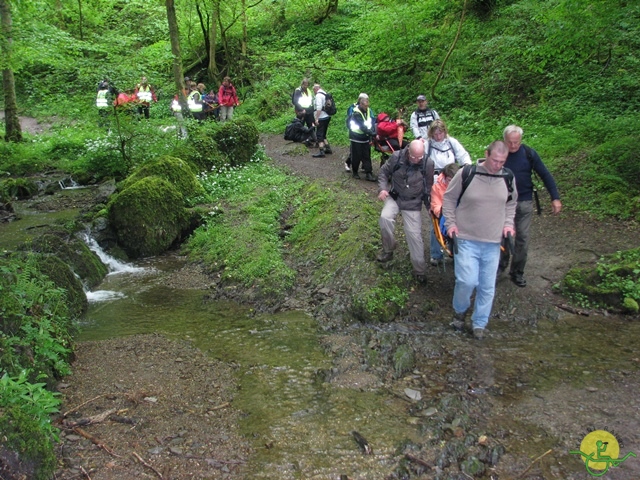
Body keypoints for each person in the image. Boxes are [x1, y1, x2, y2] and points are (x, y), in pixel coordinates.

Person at [442, 141, 517, 340]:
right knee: (467, 281)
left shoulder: (508, 177)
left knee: (487, 286)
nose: (497, 165)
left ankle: (479, 324)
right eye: (495, 160)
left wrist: (508, 224)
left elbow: (511, 203)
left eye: (502, 161)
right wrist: (450, 224)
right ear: (486, 155)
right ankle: (459, 312)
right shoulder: (468, 174)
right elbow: (448, 199)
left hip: (493, 242)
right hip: (466, 238)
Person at [499, 125, 562, 287]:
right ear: (504, 140)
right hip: (501, 203)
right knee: (502, 237)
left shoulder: (529, 154)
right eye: (510, 142)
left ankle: (517, 271)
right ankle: (500, 266)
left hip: (524, 201)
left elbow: (545, 174)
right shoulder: (498, 153)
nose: (513, 146)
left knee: (523, 238)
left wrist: (555, 197)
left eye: (516, 142)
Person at [376, 140, 434, 283]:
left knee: (414, 236)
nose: (416, 160)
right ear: (409, 151)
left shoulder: (428, 163)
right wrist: (383, 188)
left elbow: (428, 187)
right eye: (414, 156)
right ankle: (388, 250)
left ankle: (419, 270)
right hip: (395, 197)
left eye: (419, 157)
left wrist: (429, 206)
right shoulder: (396, 157)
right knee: (385, 218)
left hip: (413, 202)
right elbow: (384, 172)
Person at [426, 119, 471, 265]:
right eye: (435, 133)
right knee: (436, 220)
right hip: (436, 182)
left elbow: (464, 156)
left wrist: (467, 170)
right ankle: (435, 253)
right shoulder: (428, 145)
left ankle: (460, 247)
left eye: (441, 132)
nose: (438, 136)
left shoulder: (452, 143)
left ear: (445, 131)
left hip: (454, 178)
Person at [348, 93, 377, 182]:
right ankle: (355, 172)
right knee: (356, 155)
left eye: (367, 105)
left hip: (365, 137)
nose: (366, 107)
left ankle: (369, 173)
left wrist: (372, 131)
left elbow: (371, 121)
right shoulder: (356, 113)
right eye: (365, 106)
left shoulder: (368, 110)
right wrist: (372, 133)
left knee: (366, 155)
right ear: (361, 104)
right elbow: (362, 126)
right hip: (356, 137)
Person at [311, 83, 333, 158]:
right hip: (327, 116)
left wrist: (317, 118)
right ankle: (328, 148)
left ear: (315, 89)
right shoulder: (324, 93)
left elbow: (319, 107)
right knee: (323, 134)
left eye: (313, 90)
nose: (313, 91)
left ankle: (321, 151)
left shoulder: (318, 95)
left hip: (322, 117)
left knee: (319, 134)